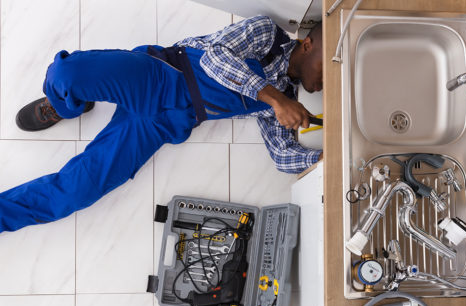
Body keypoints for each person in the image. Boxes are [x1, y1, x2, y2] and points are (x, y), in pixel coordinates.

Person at [0, 15, 323, 233]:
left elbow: (283, 156)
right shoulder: (267, 34)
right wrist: (275, 100)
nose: (322, 83)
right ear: (307, 45)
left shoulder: (287, 98)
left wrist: (324, 157)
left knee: (75, 193)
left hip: (164, 123)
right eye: (324, 69)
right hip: (158, 75)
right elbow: (214, 59)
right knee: (66, 76)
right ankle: (67, 106)